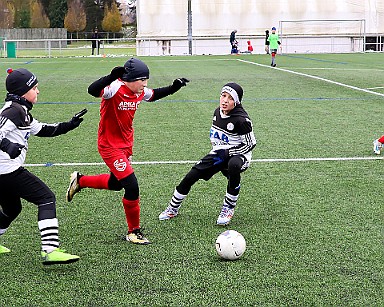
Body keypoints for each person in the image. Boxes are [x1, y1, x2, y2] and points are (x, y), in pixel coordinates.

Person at [66, 58, 189, 244]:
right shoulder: (114, 88)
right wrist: (110, 76)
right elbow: (92, 90)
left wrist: (174, 87)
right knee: (132, 186)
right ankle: (134, 232)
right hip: (109, 146)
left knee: (117, 184)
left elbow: (154, 94)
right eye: (142, 80)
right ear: (130, 79)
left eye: (146, 80)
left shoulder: (139, 91)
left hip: (125, 146)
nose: (145, 84)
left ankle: (80, 181)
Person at [0, 68, 87, 265]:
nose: (38, 91)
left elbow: (45, 130)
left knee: (12, 208)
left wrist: (70, 124)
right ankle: (50, 249)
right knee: (46, 198)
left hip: (4, 172)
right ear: (23, 91)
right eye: (35, 87)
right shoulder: (13, 111)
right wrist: (8, 146)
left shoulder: (21, 111)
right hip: (7, 170)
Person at [159, 82, 257, 226]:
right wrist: (218, 154)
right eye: (223, 96)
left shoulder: (242, 120)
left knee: (234, 165)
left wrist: (228, 152)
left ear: (236, 102)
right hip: (219, 154)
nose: (225, 100)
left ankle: (228, 208)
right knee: (191, 175)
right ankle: (173, 208)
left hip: (239, 155)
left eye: (230, 98)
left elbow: (250, 144)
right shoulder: (217, 112)